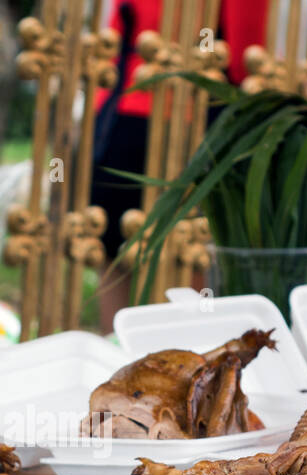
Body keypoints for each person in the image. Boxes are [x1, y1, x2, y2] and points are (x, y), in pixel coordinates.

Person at [88, 1, 268, 331]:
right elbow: (247, 61)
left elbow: (115, 35)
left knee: (116, 252)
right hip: (194, 119)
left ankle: (113, 350)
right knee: (190, 252)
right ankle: (187, 357)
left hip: (123, 113)